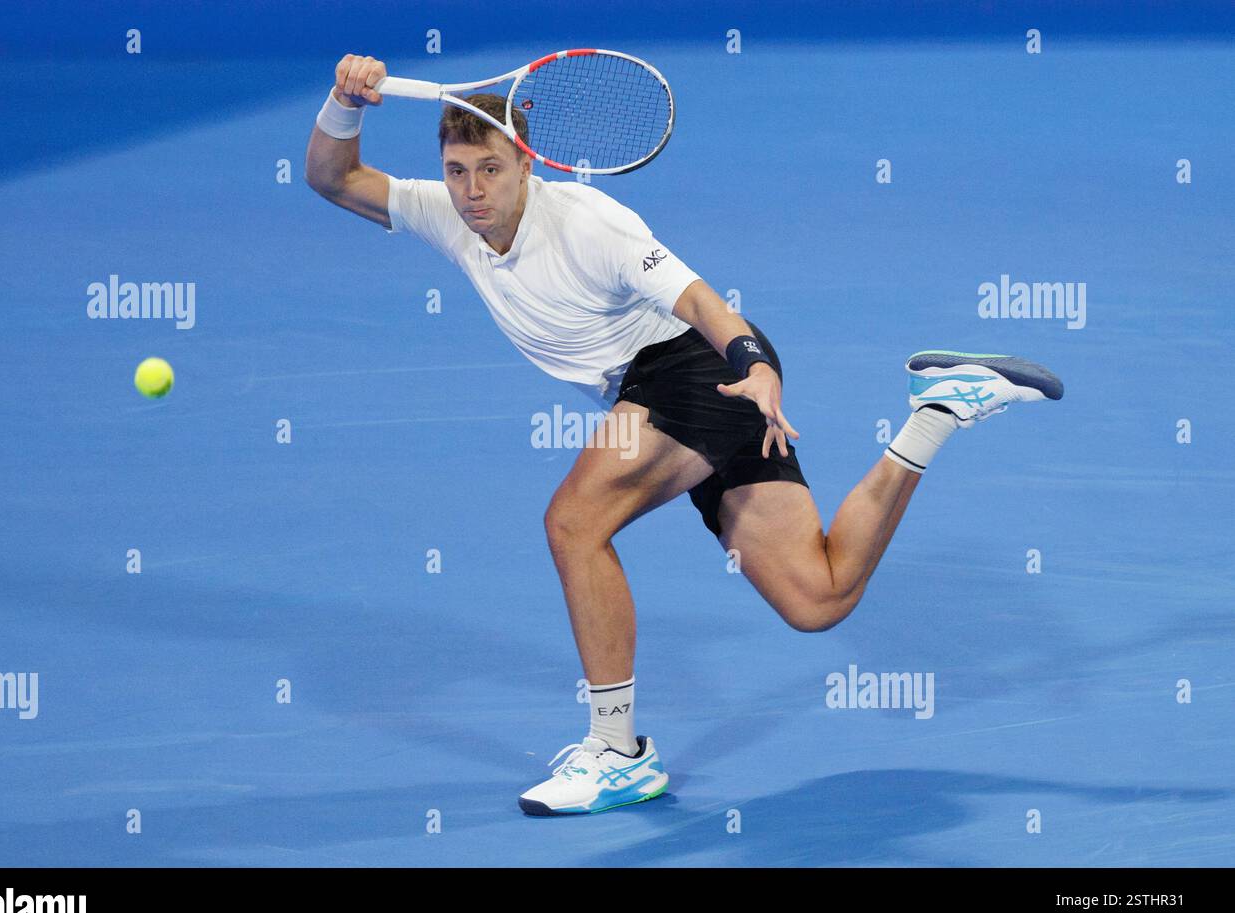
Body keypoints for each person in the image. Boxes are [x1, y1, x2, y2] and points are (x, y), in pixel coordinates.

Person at [304, 54, 1064, 816]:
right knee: (818, 598)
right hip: (680, 394)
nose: (472, 191)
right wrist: (346, 102)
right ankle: (937, 411)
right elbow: (333, 178)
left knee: (574, 522)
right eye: (458, 170)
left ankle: (618, 751)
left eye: (491, 170)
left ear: (526, 163)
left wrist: (756, 365)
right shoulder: (448, 214)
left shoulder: (589, 223)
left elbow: (700, 300)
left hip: (699, 370)